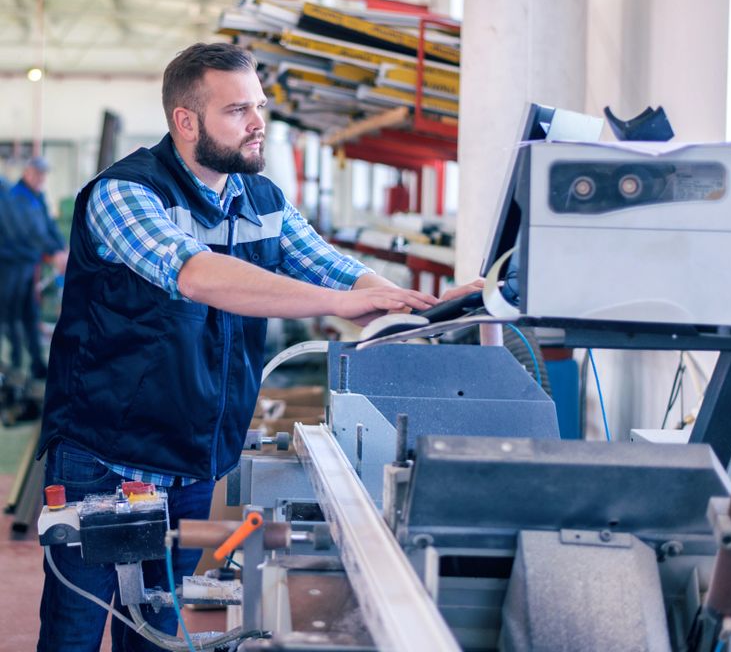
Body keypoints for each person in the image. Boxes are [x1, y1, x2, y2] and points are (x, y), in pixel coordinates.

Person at [36, 42, 470, 651]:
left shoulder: (260, 200)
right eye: (238, 110)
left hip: (190, 457)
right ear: (186, 122)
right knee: (74, 631)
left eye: (258, 106)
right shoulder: (126, 194)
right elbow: (198, 275)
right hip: (106, 456)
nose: (258, 123)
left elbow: (331, 267)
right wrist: (339, 306)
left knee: (157, 629)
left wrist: (420, 302)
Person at [6, 156, 68, 380]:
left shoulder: (38, 196)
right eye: (39, 174)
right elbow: (33, 232)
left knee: (30, 314)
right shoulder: (15, 198)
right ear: (28, 173)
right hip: (10, 266)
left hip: (28, 264)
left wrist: (62, 247)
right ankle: (13, 364)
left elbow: (49, 225)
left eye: (44, 175)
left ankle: (35, 364)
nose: (42, 178)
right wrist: (54, 253)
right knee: (11, 316)